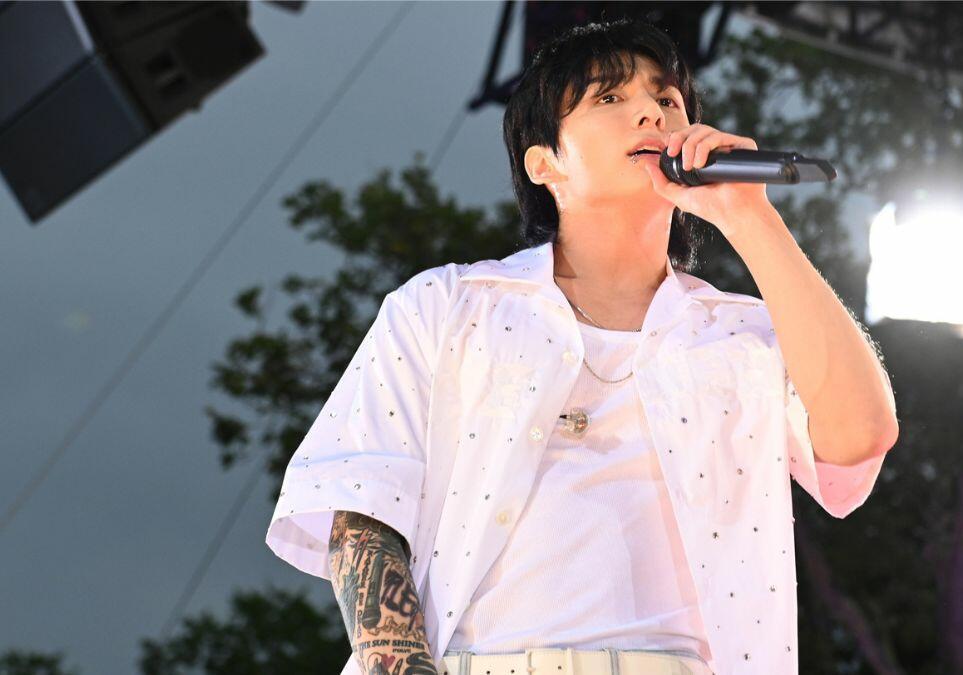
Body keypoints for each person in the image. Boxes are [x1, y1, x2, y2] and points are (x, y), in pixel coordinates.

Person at [265, 17, 898, 675]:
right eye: (610, 97)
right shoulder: (449, 306)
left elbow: (861, 434)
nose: (651, 113)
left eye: (666, 99)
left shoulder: (743, 333)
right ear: (545, 162)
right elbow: (362, 505)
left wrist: (751, 217)